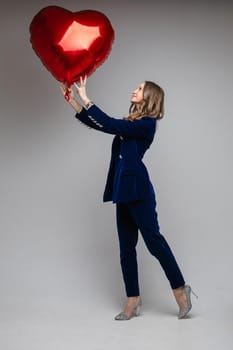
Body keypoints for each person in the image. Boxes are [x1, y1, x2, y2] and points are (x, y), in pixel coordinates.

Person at [60, 77, 197, 320]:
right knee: (126, 248)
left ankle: (179, 288)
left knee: (154, 241)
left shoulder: (147, 124)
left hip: (139, 190)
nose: (134, 90)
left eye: (140, 88)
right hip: (122, 189)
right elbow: (103, 126)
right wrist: (73, 101)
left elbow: (109, 123)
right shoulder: (130, 123)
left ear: (150, 97)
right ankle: (132, 299)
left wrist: (86, 97)